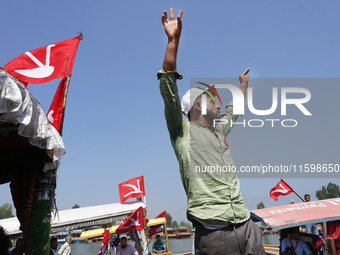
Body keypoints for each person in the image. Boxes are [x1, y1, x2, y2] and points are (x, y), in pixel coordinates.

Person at [158, 8, 265, 255]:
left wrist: (242, 85)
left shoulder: (218, 132)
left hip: (245, 224)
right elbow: (168, 86)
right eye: (212, 98)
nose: (217, 102)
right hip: (214, 232)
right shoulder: (181, 129)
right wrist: (173, 42)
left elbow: (233, 110)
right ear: (198, 105)